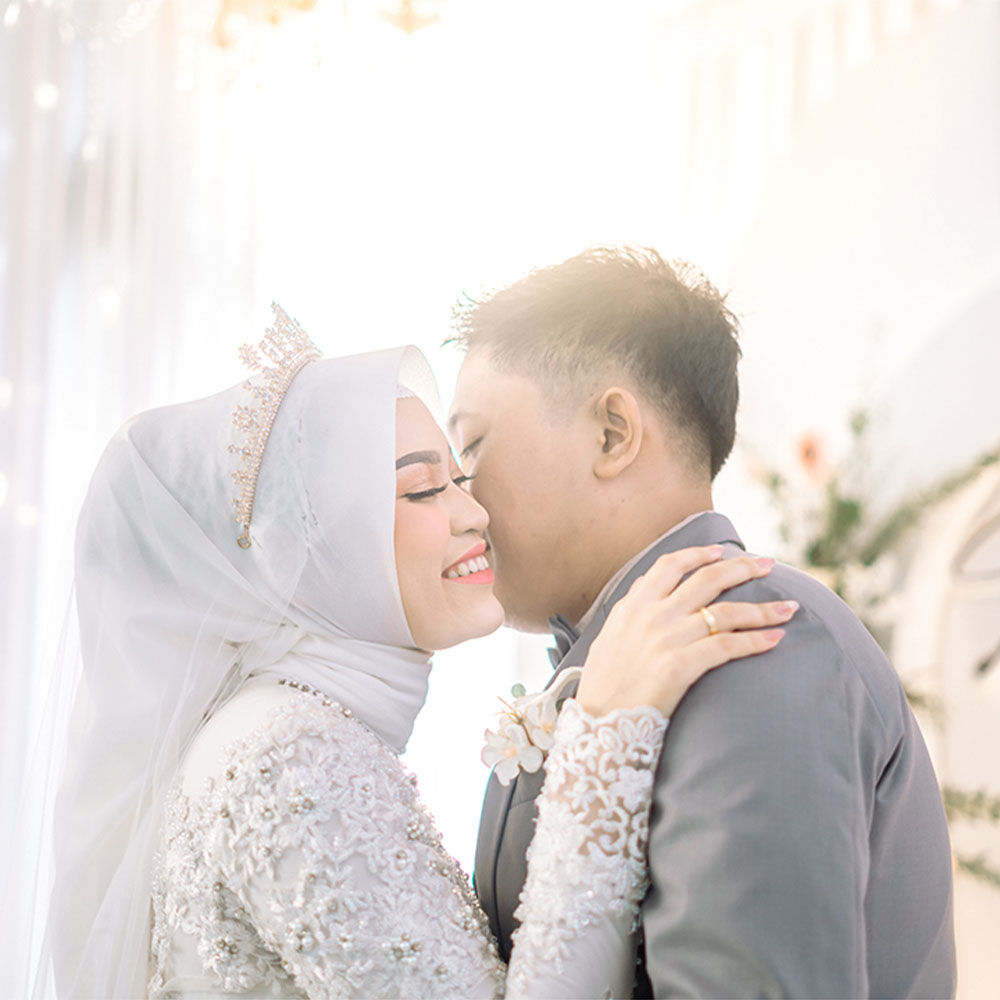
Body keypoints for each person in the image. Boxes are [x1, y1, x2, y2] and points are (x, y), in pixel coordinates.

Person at [44, 305, 794, 999]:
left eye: (461, 477)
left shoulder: (275, 730)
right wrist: (607, 735)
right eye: (424, 490)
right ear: (320, 548)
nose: (475, 514)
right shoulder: (288, 750)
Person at [448, 246, 958, 999]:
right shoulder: (623, 655)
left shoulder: (749, 641)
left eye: (473, 447)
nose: (463, 498)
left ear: (613, 434)